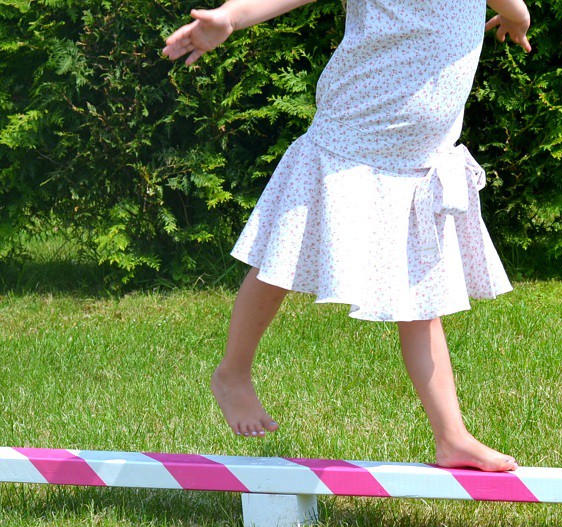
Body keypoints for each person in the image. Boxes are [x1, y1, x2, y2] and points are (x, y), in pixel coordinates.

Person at [161, 0, 531, 472]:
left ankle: (451, 436)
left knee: (421, 299)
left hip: (421, 157)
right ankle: (232, 373)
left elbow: (510, 3)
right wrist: (232, 16)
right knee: (282, 262)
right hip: (351, 139)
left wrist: (517, 18)